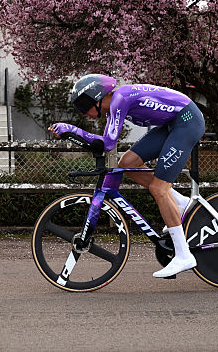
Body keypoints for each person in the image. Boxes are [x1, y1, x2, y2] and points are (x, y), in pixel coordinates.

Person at [49, 74, 206, 278]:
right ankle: (181, 203)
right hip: (173, 124)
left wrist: (72, 130)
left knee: (159, 189)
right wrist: (73, 133)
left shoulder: (119, 100)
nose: (84, 114)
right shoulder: (115, 105)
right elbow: (107, 143)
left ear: (94, 99)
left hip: (187, 122)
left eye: (83, 108)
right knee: (127, 164)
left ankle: (184, 256)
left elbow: (107, 144)